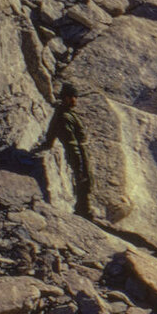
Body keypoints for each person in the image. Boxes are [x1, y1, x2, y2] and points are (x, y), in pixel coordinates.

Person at [36, 83, 91, 215]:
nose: (74, 100)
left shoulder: (66, 113)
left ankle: (83, 209)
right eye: (71, 97)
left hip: (80, 151)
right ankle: (83, 211)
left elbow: (51, 133)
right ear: (65, 98)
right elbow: (71, 143)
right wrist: (79, 163)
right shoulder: (65, 117)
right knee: (84, 180)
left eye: (75, 97)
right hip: (77, 153)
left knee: (86, 181)